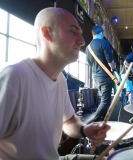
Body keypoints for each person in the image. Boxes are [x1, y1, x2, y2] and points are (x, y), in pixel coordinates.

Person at [0, 7, 110, 160]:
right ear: (46, 33)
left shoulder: (60, 80)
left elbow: (69, 120)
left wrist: (84, 130)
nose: (82, 41)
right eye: (73, 31)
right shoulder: (13, 77)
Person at [85, 25, 116, 122]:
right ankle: (94, 122)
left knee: (103, 100)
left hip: (96, 77)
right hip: (104, 77)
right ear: (101, 33)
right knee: (105, 101)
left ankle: (102, 122)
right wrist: (113, 67)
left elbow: (90, 63)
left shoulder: (88, 48)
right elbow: (111, 63)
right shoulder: (104, 43)